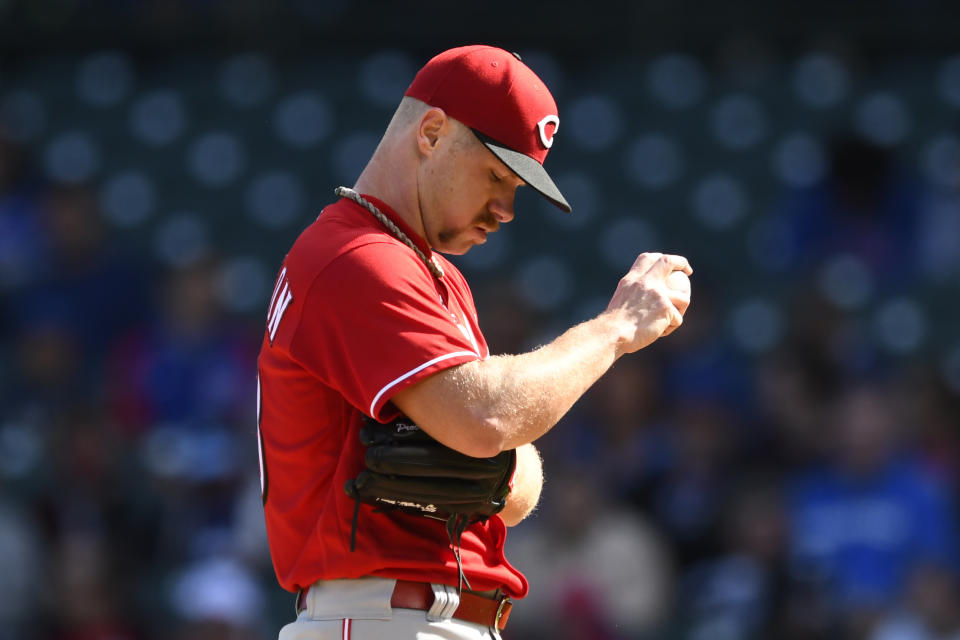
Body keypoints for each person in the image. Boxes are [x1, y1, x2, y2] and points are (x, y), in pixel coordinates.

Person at [256, 45, 692, 640]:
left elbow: (511, 481)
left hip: (424, 616)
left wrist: (485, 439)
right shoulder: (357, 258)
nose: (505, 209)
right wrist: (615, 328)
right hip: (384, 615)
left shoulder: (426, 270)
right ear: (432, 132)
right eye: (496, 175)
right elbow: (488, 416)